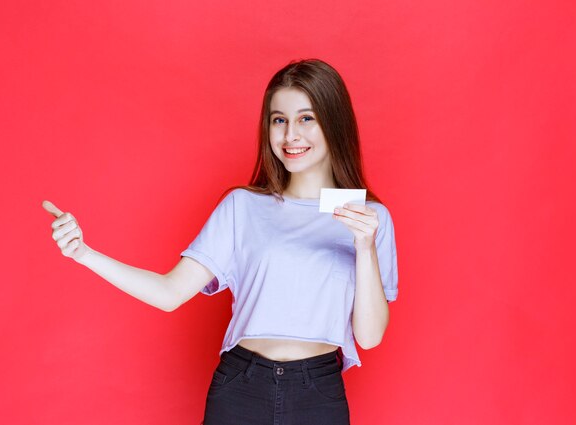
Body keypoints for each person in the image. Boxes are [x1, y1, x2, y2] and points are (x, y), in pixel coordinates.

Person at [42, 58, 398, 425]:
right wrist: (84, 254)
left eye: (306, 118)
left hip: (318, 394)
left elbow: (368, 338)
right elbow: (169, 293)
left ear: (333, 123)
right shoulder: (243, 206)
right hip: (241, 388)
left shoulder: (369, 219)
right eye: (280, 120)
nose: (291, 134)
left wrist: (365, 246)